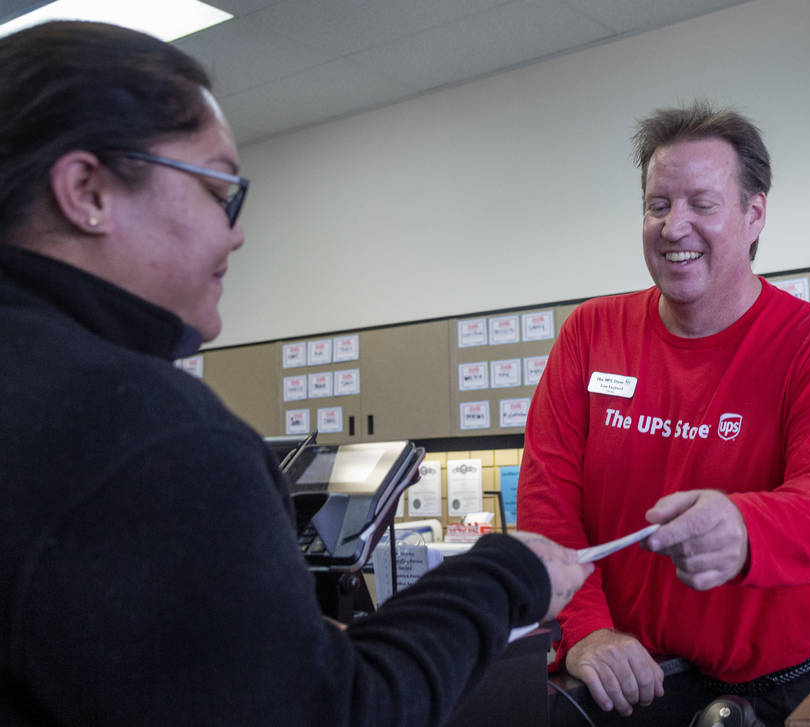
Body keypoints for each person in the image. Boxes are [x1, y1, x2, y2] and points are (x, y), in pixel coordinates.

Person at [0, 21, 592, 727]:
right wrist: (504, 575)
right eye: (219, 190)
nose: (236, 231)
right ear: (88, 189)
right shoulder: (154, 435)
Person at [518, 102, 810, 727]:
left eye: (702, 204)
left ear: (753, 214)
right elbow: (549, 498)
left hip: (791, 688)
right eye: (658, 205)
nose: (673, 226)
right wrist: (583, 630)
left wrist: (747, 528)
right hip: (632, 683)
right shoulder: (591, 333)